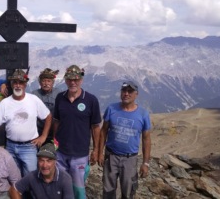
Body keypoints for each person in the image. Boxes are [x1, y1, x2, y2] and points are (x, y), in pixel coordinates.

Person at [0, 69, 52, 177]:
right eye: (15, 82)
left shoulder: (34, 100)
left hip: (29, 147)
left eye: (21, 82)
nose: (18, 85)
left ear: (25, 84)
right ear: (11, 84)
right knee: (13, 178)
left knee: (31, 178)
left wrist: (43, 136)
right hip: (10, 146)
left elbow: (48, 116)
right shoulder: (5, 103)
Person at [54, 65, 101, 199]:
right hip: (60, 153)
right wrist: (54, 141)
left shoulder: (91, 100)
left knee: (79, 190)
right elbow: (56, 121)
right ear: (65, 80)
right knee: (60, 187)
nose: (73, 82)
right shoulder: (60, 98)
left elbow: (95, 127)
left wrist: (96, 150)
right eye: (69, 79)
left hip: (80, 154)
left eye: (76, 79)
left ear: (81, 80)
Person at [98, 81, 151, 199]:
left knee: (128, 192)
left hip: (130, 159)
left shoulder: (143, 114)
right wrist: (100, 153)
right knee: (108, 190)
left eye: (130, 91)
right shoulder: (111, 109)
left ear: (136, 94)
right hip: (110, 156)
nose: (126, 94)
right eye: (124, 91)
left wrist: (146, 163)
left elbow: (146, 139)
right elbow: (103, 131)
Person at [9, 143, 74, 199]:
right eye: (41, 160)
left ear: (55, 162)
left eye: (48, 161)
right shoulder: (32, 176)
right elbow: (14, 190)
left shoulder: (65, 178)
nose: (44, 165)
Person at [31, 68, 60, 145]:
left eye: (48, 81)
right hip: (38, 131)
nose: (46, 83)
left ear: (53, 83)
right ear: (40, 83)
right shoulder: (34, 94)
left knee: (54, 154)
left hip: (55, 131)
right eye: (43, 81)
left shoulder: (59, 94)